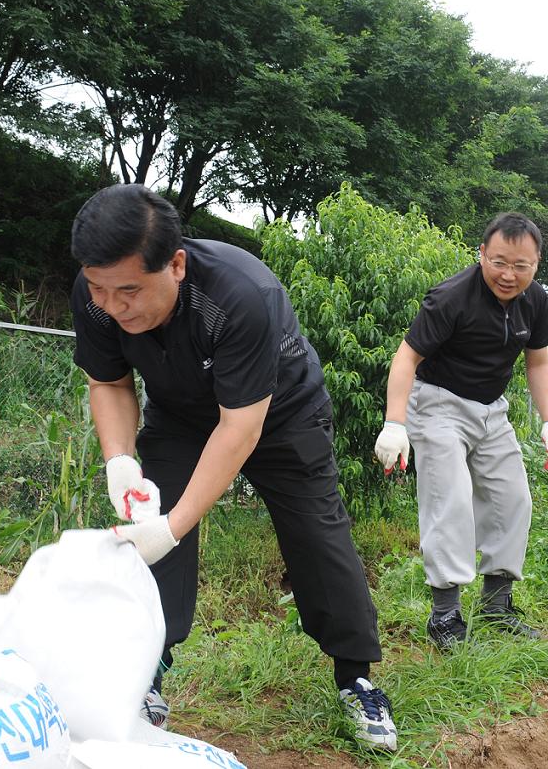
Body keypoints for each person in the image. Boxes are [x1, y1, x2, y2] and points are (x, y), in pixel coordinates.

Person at [68, 184, 396, 750]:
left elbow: (239, 430)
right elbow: (109, 382)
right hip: (180, 413)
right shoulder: (98, 294)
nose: (112, 307)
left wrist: (173, 529)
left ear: (175, 264)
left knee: (317, 536)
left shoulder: (242, 295)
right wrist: (120, 461)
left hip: (280, 413)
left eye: (128, 291)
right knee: (150, 519)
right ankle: (146, 672)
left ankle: (356, 677)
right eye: (98, 289)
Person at [374, 212, 548, 650]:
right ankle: (445, 617)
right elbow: (406, 359)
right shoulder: (452, 297)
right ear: (481, 254)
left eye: (521, 266)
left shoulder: (534, 301)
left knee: (513, 499)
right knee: (451, 501)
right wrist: (394, 423)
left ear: (536, 265)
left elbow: (538, 362)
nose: (508, 275)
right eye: (499, 262)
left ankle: (497, 607)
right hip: (438, 404)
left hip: (492, 410)